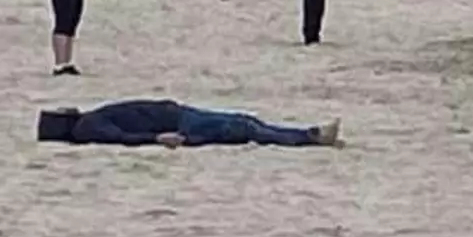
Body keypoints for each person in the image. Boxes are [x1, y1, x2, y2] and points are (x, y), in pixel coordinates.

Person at [37, 100, 342, 148]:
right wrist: (157, 138)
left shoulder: (88, 120)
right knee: (244, 128)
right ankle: (309, 137)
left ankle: (309, 134)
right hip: (178, 123)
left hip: (177, 115)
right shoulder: (86, 127)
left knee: (245, 123)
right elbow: (122, 138)